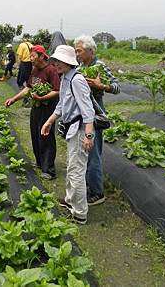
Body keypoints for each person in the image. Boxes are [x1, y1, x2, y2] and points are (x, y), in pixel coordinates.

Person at [41, 45, 94, 224]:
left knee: (77, 171)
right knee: (72, 167)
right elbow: (62, 105)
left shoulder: (77, 80)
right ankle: (70, 200)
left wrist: (88, 136)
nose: (56, 64)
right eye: (55, 61)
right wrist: (49, 121)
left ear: (69, 62)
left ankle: (80, 213)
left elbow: (88, 111)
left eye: (60, 61)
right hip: (72, 129)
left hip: (80, 131)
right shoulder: (65, 78)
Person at [74, 35, 121, 206]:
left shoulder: (99, 66)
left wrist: (101, 86)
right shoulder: (80, 66)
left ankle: (97, 192)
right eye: (76, 51)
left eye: (79, 51)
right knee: (84, 150)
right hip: (81, 110)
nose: (76, 53)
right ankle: (88, 183)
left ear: (90, 51)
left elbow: (117, 87)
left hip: (94, 110)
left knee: (93, 152)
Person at [5, 45, 60, 179]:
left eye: (33, 56)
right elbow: (28, 88)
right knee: (35, 133)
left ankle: (49, 169)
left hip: (48, 108)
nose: (31, 58)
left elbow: (57, 91)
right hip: (36, 107)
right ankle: (40, 163)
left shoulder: (51, 71)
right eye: (30, 56)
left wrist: (42, 97)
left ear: (41, 56)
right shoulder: (35, 70)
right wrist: (13, 99)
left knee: (46, 136)